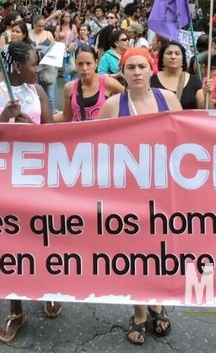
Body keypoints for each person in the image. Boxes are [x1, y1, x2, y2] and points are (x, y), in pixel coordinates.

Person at [0, 41, 59, 343]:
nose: (38, 69)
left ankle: (49, 290)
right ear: (17, 67)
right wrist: (6, 120)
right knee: (11, 245)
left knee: (43, 238)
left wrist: (31, 127)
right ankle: (16, 311)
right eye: (34, 64)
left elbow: (51, 132)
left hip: (38, 178)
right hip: (5, 183)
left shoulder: (38, 93)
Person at [99, 48, 179, 344]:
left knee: (159, 251)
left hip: (162, 190)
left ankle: (156, 303)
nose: (136, 72)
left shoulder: (167, 99)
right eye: (130, 67)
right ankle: (139, 313)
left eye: (141, 66)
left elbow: (186, 140)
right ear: (122, 72)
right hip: (127, 194)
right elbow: (93, 146)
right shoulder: (112, 105)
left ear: (151, 69)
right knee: (133, 253)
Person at [57, 45, 124, 122]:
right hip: (79, 130)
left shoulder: (108, 83)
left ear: (96, 63)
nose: (84, 68)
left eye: (88, 63)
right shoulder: (69, 88)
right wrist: (45, 117)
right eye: (80, 64)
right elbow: (66, 117)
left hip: (103, 129)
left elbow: (130, 101)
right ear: (75, 64)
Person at [151, 41, 203, 109]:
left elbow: (204, 108)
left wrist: (207, 94)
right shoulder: (151, 81)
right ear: (162, 58)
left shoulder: (194, 81)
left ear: (183, 59)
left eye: (177, 54)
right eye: (169, 53)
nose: (173, 57)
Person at [28, 14, 58, 111]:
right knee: (35, 94)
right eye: (39, 26)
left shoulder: (49, 34)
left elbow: (55, 49)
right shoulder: (28, 34)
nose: (41, 28)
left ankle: (52, 113)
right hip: (34, 68)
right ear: (34, 24)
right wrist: (33, 50)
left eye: (43, 26)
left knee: (50, 95)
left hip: (48, 67)